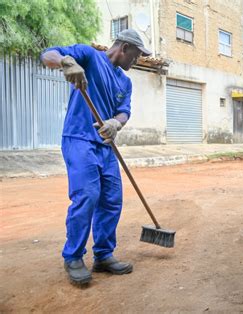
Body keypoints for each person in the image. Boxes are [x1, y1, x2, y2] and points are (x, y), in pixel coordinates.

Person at [41, 29, 151, 285]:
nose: (136, 61)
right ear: (124, 48)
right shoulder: (89, 56)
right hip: (79, 138)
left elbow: (124, 111)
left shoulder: (125, 82)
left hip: (105, 144)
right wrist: (66, 62)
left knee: (112, 200)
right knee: (88, 196)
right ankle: (73, 257)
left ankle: (103, 255)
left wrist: (116, 123)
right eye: (136, 55)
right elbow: (48, 54)